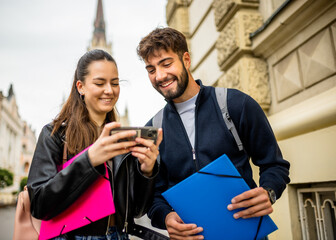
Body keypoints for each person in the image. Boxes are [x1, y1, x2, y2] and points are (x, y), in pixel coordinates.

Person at [136, 27, 290, 240]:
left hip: (246, 234)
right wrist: (166, 217)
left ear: (186, 60)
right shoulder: (153, 130)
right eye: (151, 69)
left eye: (166, 63)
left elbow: (275, 165)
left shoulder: (236, 104)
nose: (159, 76)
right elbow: (153, 196)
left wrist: (268, 191)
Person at [27, 49, 162, 240]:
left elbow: (137, 210)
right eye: (100, 83)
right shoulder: (55, 135)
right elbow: (39, 205)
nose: (109, 90)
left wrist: (147, 172)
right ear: (81, 87)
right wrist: (89, 160)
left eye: (115, 83)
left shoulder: (123, 139)